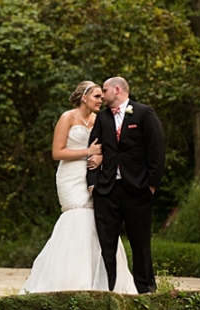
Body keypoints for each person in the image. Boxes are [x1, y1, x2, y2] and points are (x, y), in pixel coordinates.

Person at [21, 81, 137, 294]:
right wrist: (87, 152)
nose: (100, 100)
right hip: (70, 176)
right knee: (77, 217)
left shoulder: (100, 120)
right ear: (84, 97)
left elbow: (110, 147)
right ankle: (71, 280)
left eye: (102, 97)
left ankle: (105, 280)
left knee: (98, 218)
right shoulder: (67, 117)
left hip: (93, 175)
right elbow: (57, 152)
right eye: (96, 97)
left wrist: (100, 157)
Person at [87, 77, 165, 294]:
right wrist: (93, 184)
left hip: (138, 189)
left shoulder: (143, 113)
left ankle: (145, 289)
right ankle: (109, 288)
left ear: (117, 90)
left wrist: (151, 185)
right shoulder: (102, 118)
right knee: (107, 242)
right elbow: (93, 148)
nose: (102, 95)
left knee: (140, 241)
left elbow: (157, 150)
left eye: (105, 90)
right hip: (107, 189)